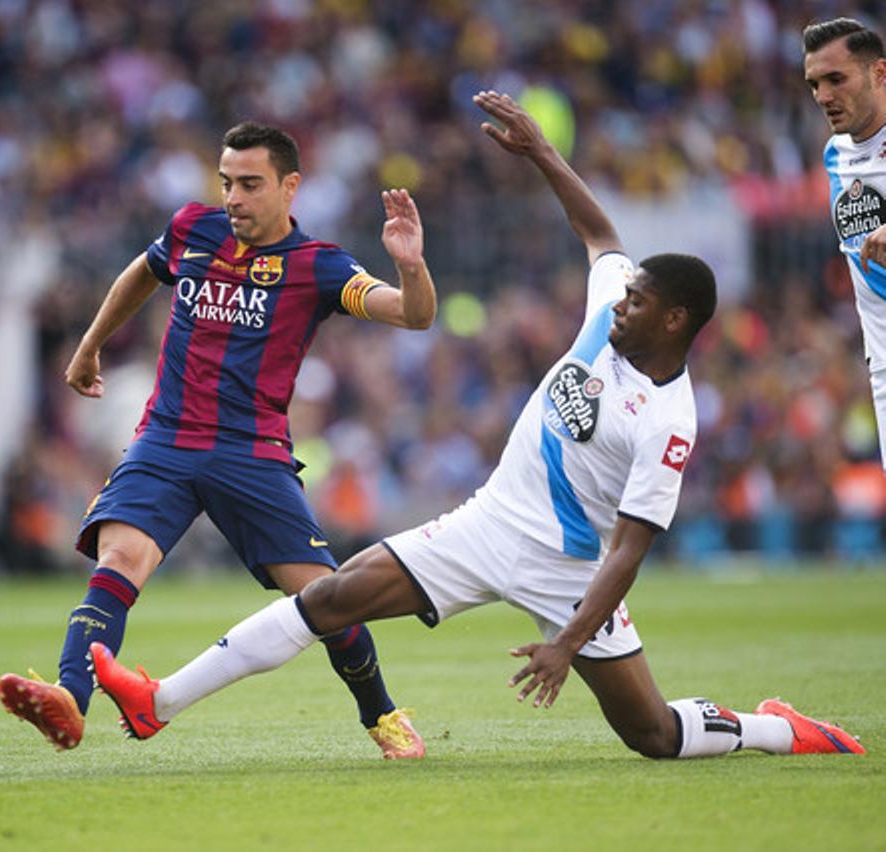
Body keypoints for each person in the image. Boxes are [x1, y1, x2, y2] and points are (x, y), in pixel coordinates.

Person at [87, 92, 866, 759]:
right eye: (620, 295)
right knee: (329, 600)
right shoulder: (609, 308)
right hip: (490, 521)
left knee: (652, 736)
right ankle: (157, 702)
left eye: (635, 303)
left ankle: (779, 730)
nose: (618, 303)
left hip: (571, 573)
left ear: (676, 319)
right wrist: (540, 153)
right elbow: (599, 233)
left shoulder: (669, 420)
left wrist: (566, 641)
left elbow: (629, 550)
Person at [0, 121, 436, 758]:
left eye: (250, 184)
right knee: (117, 562)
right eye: (227, 181)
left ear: (290, 187)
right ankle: (69, 697)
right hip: (166, 440)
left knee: (327, 598)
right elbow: (139, 276)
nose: (233, 197)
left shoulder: (318, 266)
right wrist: (89, 346)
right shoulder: (191, 229)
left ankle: (383, 714)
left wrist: (412, 265)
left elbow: (415, 315)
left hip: (251, 453)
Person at [803, 18, 886, 470]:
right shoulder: (835, 155)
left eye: (837, 79)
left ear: (879, 73)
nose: (823, 96)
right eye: (814, 84)